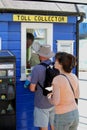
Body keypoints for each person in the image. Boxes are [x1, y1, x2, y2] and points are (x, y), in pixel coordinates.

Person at [48, 52, 79, 130]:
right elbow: (77, 95)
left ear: (61, 64)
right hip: (75, 113)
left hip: (63, 115)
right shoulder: (74, 76)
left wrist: (48, 96)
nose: (54, 62)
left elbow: (55, 102)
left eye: (56, 60)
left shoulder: (57, 79)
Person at [29, 45, 55, 130]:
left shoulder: (37, 68)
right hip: (53, 101)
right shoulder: (55, 66)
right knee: (54, 126)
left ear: (41, 56)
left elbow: (32, 88)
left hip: (41, 103)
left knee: (43, 128)